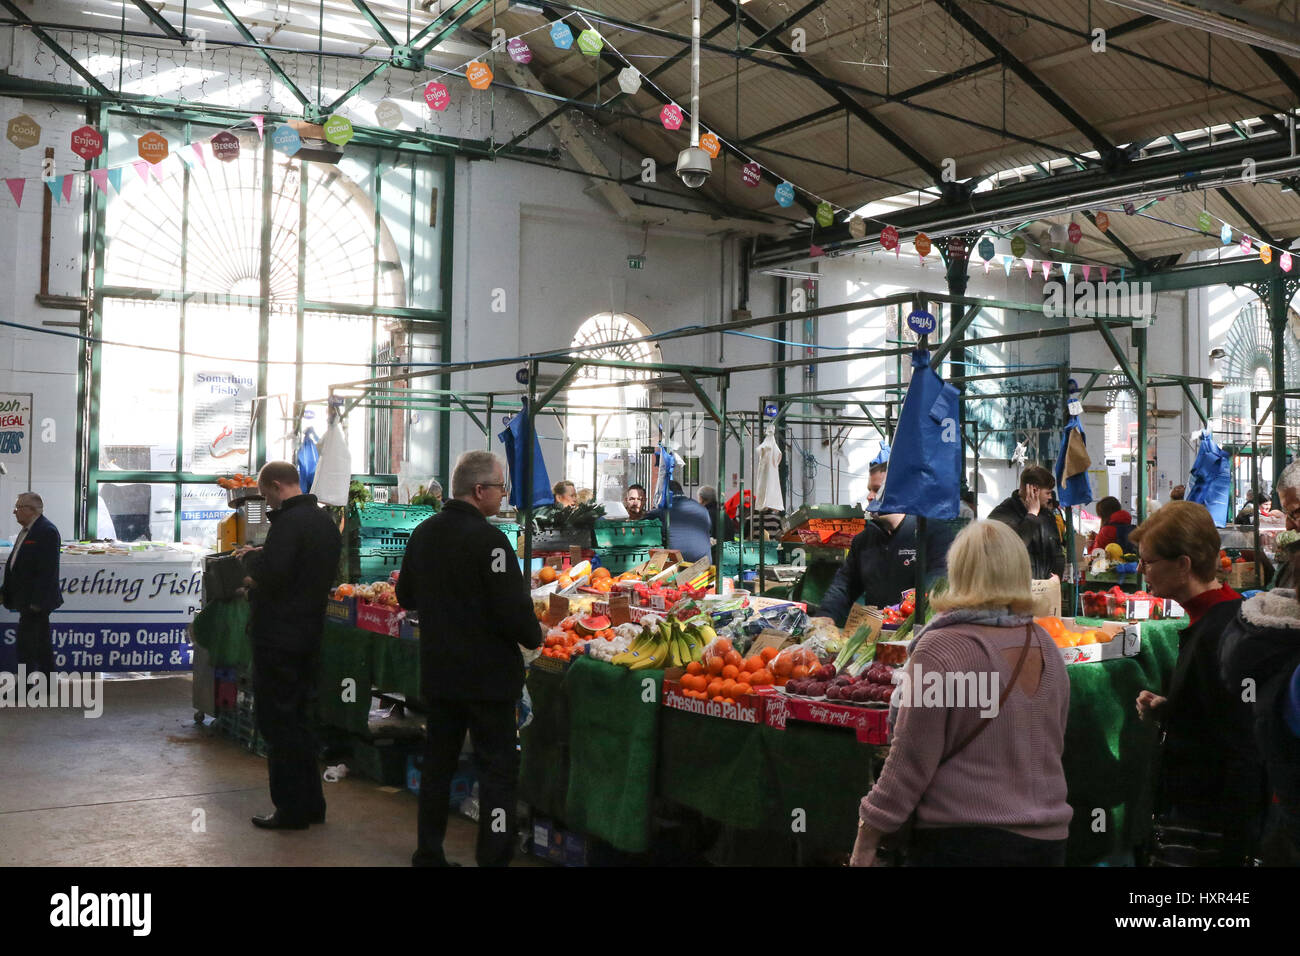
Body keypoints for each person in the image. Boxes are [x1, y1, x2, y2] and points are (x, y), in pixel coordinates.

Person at [850, 520, 1071, 866]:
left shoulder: (941, 648)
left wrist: (867, 836)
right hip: (1047, 842)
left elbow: (909, 760)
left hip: (965, 843)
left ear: (959, 570)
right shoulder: (1044, 644)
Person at [397, 451, 541, 867]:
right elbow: (514, 612)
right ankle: (492, 857)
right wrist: (535, 635)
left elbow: (406, 596)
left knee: (438, 766)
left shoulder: (424, 533)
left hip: (441, 674)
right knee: (497, 772)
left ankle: (428, 853)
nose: (503, 497)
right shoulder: (492, 542)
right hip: (488, 682)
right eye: (501, 489)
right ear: (480, 491)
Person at [1131, 501, 1267, 865]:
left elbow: (1240, 740)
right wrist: (1171, 709)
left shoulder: (1221, 630)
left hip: (1210, 824)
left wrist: (1238, 843)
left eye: (1148, 560)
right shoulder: (1220, 615)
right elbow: (1216, 711)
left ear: (1183, 564)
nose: (1141, 569)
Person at [239, 462, 342, 830]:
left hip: (278, 637)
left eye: (266, 493)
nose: (266, 499)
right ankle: (312, 804)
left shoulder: (287, 524)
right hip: (310, 633)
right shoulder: (325, 523)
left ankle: (290, 809)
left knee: (279, 723)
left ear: (276, 486)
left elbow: (274, 575)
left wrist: (250, 573)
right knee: (301, 720)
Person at [817, 511, 955, 627]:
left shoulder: (934, 534)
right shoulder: (863, 540)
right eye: (870, 490)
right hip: (877, 638)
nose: (870, 497)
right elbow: (845, 584)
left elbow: (936, 587)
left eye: (877, 490)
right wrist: (827, 614)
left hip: (920, 636)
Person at [1, 493, 62, 675]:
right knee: (41, 645)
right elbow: (18, 565)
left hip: (35, 602)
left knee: (26, 646)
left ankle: (26, 687)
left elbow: (47, 571)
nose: (14, 511)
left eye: (18, 507)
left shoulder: (46, 531)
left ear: (32, 510)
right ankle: (46, 685)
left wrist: (36, 603)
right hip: (25, 599)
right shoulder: (27, 530)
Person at [988, 465, 1063, 581]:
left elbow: (1057, 552)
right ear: (1034, 491)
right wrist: (1032, 515)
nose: (1050, 497)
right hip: (1014, 592)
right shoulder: (1002, 515)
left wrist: (1058, 576)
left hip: (1045, 590)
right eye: (1047, 493)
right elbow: (1012, 548)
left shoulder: (1047, 516)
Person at [647, 480, 713, 562]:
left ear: (663, 494)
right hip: (705, 564)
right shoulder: (702, 509)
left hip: (678, 566)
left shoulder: (661, 512)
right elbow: (709, 532)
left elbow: (640, 526)